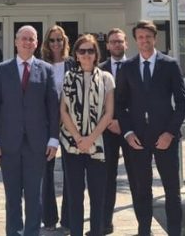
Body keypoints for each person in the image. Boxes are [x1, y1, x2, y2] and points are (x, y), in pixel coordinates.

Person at [115, 20, 185, 236]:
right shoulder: (127, 67)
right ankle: (144, 231)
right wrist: (128, 133)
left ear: (155, 39)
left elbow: (182, 102)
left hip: (165, 136)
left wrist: (170, 133)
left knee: (171, 190)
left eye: (148, 36)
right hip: (138, 138)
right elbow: (120, 104)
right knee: (141, 190)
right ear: (135, 40)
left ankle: (174, 232)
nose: (144, 40)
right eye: (140, 37)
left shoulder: (170, 65)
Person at [0, 25, 60, 236]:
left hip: (37, 144)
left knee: (34, 195)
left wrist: (53, 139)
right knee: (12, 196)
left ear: (37, 43)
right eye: (24, 38)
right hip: (8, 143)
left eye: (31, 39)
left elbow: (52, 107)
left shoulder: (46, 70)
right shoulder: (2, 69)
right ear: (16, 42)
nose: (27, 42)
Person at [60, 34, 115, 236]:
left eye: (90, 51)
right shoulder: (68, 77)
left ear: (96, 54)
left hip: (97, 144)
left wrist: (90, 139)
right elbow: (63, 111)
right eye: (82, 51)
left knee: (97, 196)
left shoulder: (106, 78)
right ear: (76, 54)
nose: (86, 54)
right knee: (75, 196)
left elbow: (108, 113)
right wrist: (78, 138)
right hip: (71, 145)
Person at [96, 28, 135, 235]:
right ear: (108, 45)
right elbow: (97, 100)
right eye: (113, 42)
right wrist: (110, 121)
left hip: (131, 131)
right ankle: (105, 224)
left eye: (120, 41)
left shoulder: (136, 67)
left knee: (136, 178)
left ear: (126, 43)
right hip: (107, 130)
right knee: (107, 179)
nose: (117, 45)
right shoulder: (100, 70)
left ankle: (144, 226)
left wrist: (124, 123)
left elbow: (139, 99)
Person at [39, 25, 73, 231]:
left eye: (59, 39)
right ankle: (49, 218)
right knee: (46, 171)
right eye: (52, 40)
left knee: (70, 170)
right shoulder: (41, 65)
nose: (56, 43)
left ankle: (68, 219)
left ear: (65, 41)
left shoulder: (73, 63)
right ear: (46, 43)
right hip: (46, 123)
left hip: (70, 123)